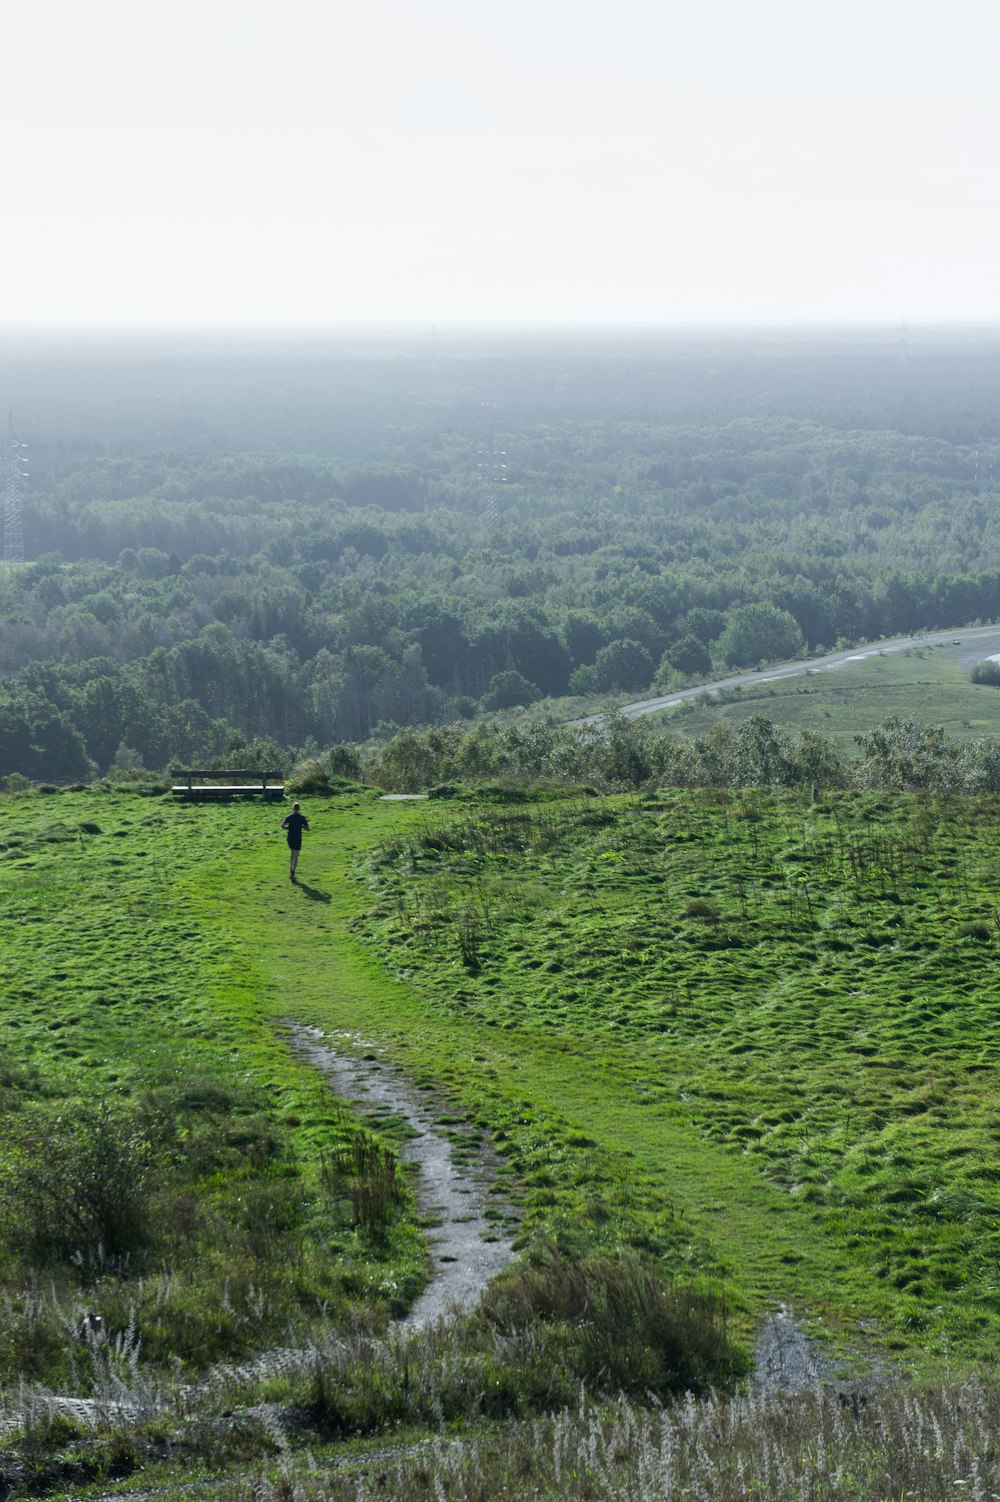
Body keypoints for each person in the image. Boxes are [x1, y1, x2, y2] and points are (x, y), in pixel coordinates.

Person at [281, 802, 310, 882]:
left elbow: (282, 826)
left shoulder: (289, 817)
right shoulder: (302, 818)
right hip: (297, 838)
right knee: (296, 856)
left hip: (290, 838)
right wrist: (302, 826)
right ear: (299, 809)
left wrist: (288, 828)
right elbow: (308, 829)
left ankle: (291, 871)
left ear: (293, 809)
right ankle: (292, 873)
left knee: (292, 854)